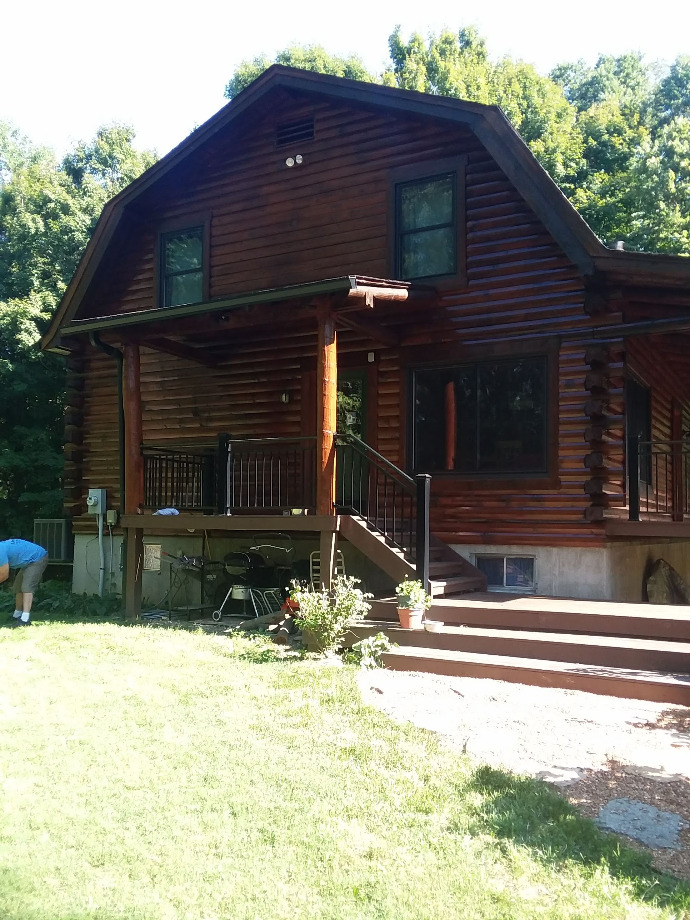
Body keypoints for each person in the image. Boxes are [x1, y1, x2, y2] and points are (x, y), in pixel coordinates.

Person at [0, 539, 48, 627]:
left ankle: (25, 619)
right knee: (18, 587)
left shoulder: (0, 552)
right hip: (27, 562)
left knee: (27, 587)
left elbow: (4, 575)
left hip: (37, 558)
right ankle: (17, 615)